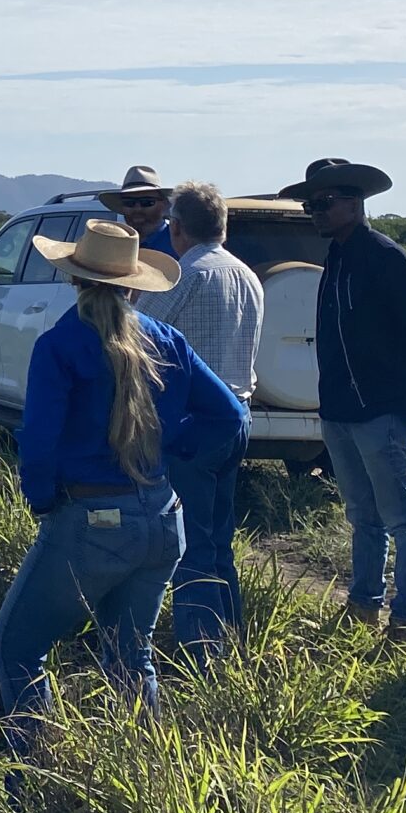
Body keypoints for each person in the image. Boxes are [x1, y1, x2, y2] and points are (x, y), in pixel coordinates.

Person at [0, 220, 242, 753]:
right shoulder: (167, 340)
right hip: (161, 517)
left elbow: (38, 441)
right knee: (133, 655)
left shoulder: (60, 343)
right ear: (135, 284)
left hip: (91, 519)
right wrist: (173, 448)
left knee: (15, 646)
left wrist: (42, 501)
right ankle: (143, 776)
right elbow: (231, 418)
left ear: (75, 278)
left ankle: (33, 779)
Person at [280, 156, 406, 641]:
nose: (317, 213)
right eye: (312, 205)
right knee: (363, 516)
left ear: (355, 203)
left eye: (325, 204)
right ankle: (363, 605)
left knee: (405, 518)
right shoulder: (336, 258)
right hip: (339, 412)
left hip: (381, 409)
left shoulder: (384, 257)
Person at [139, 182, 261, 657]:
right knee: (217, 537)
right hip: (238, 415)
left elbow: (137, 333)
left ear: (179, 227)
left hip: (192, 422)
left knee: (188, 540)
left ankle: (200, 650)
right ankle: (230, 635)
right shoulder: (247, 275)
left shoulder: (184, 275)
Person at [97, 165, 176, 256]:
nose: (137, 209)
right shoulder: (113, 245)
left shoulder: (180, 241)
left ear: (164, 204)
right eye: (129, 203)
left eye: (147, 202)